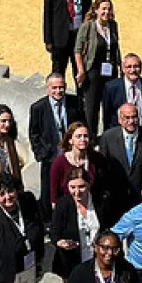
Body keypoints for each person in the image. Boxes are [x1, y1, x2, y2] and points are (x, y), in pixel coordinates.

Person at [30, 73, 87, 217]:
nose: (58, 91)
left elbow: (82, 124)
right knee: (49, 190)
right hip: (50, 156)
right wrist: (41, 154)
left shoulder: (75, 102)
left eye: (61, 87)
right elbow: (34, 133)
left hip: (72, 154)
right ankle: (49, 219)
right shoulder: (38, 108)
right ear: (48, 88)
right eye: (54, 88)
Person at [98, 103, 142, 211]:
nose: (131, 121)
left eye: (134, 117)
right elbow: (103, 168)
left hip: (141, 198)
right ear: (119, 119)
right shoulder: (108, 137)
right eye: (127, 118)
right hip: (115, 198)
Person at [73, 0, 121, 134]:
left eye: (109, 9)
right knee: (92, 107)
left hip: (110, 71)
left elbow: (116, 47)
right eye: (103, 9)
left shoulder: (113, 25)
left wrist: (120, 65)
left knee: (110, 106)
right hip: (93, 71)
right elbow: (77, 50)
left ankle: (108, 136)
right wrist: (81, 70)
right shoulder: (87, 26)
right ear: (96, 10)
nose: (106, 12)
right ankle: (91, 137)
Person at [44, 0, 92, 79]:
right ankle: (58, 91)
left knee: (80, 70)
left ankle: (81, 92)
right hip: (60, 38)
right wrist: (48, 40)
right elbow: (47, 14)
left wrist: (89, 35)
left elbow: (90, 12)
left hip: (79, 34)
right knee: (59, 70)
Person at [51, 167, 102, 277]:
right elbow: (54, 232)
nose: (77, 192)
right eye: (72, 187)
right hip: (71, 262)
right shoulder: (63, 204)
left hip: (97, 259)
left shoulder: (100, 201)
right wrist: (61, 242)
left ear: (89, 184)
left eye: (81, 187)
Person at [49, 121, 107, 208]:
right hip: (68, 208)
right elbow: (54, 196)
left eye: (85, 136)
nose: (83, 139)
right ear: (70, 140)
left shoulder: (97, 159)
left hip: (93, 207)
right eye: (78, 136)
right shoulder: (59, 163)